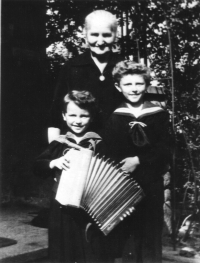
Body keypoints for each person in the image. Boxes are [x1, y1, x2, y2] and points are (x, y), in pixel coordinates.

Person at [101, 61, 170, 263]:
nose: (134, 89)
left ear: (146, 85)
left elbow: (165, 149)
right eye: (128, 84)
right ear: (118, 87)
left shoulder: (158, 115)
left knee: (150, 232)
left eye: (138, 84)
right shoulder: (115, 117)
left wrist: (138, 160)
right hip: (124, 182)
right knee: (127, 231)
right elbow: (109, 149)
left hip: (150, 181)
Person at [33, 90, 108, 263]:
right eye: (72, 115)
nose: (78, 121)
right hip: (61, 207)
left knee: (89, 248)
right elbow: (37, 166)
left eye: (84, 116)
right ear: (64, 116)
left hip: (90, 207)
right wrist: (53, 163)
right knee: (62, 248)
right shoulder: (59, 143)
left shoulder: (98, 143)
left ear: (92, 117)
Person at [48, 10, 123, 143]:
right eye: (94, 35)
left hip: (117, 144)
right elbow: (56, 114)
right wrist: (54, 151)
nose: (100, 42)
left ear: (115, 34)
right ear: (85, 33)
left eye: (106, 35)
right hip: (79, 144)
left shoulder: (124, 68)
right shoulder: (71, 68)